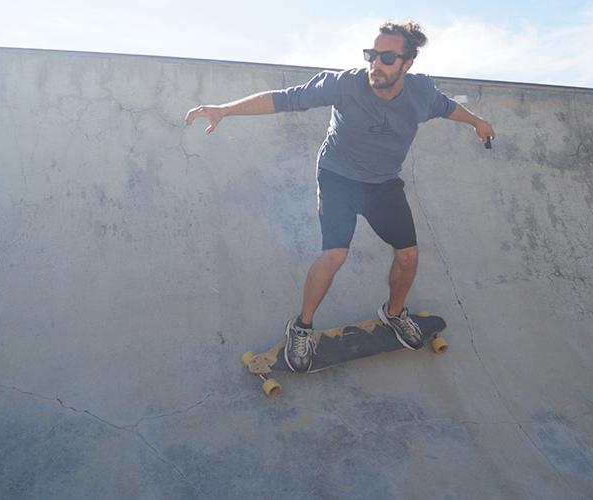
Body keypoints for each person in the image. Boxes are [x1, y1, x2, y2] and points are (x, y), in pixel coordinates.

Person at [185, 21, 495, 373]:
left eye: (387, 58)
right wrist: (224, 109)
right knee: (334, 256)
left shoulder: (421, 93)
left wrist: (476, 121)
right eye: (371, 55)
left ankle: (393, 314)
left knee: (408, 256)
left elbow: (447, 106)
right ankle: (301, 327)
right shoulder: (344, 84)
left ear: (407, 64)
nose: (376, 64)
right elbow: (284, 99)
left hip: (382, 183)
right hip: (338, 178)